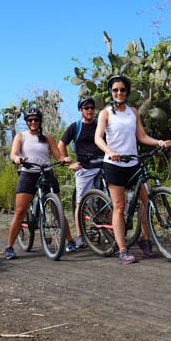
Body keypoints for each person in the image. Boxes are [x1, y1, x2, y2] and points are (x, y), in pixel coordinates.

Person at [95, 75, 171, 265]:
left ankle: (144, 240)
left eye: (122, 89)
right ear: (111, 92)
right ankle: (122, 250)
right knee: (119, 207)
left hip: (133, 163)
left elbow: (142, 136)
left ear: (127, 92)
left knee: (147, 201)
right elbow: (98, 138)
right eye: (115, 90)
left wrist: (159, 142)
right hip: (114, 165)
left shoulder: (133, 112)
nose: (119, 93)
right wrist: (110, 151)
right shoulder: (106, 113)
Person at [4, 106, 75, 260]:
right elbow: (13, 153)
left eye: (36, 119)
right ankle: (9, 247)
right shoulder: (21, 136)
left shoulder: (46, 137)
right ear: (27, 122)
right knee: (20, 213)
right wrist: (16, 159)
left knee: (58, 211)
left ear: (40, 121)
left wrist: (65, 159)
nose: (33, 122)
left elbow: (58, 156)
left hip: (46, 173)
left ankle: (70, 241)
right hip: (28, 174)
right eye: (30, 120)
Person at [61, 95, 106, 249]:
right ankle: (80, 235)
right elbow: (62, 144)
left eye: (92, 108)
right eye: (86, 108)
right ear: (80, 110)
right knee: (81, 203)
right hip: (84, 168)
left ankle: (108, 230)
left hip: (101, 167)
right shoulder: (76, 126)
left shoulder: (99, 125)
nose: (90, 110)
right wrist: (68, 162)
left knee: (107, 199)